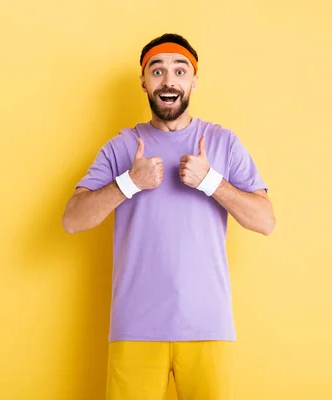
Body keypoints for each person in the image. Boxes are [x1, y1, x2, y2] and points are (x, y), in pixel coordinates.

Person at [62, 33, 275, 400]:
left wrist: (211, 181)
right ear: (143, 82)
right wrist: (129, 182)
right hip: (135, 328)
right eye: (157, 71)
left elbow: (265, 220)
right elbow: (73, 220)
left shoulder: (222, 142)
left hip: (208, 325)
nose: (169, 80)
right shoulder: (122, 146)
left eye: (180, 70)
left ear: (194, 80)